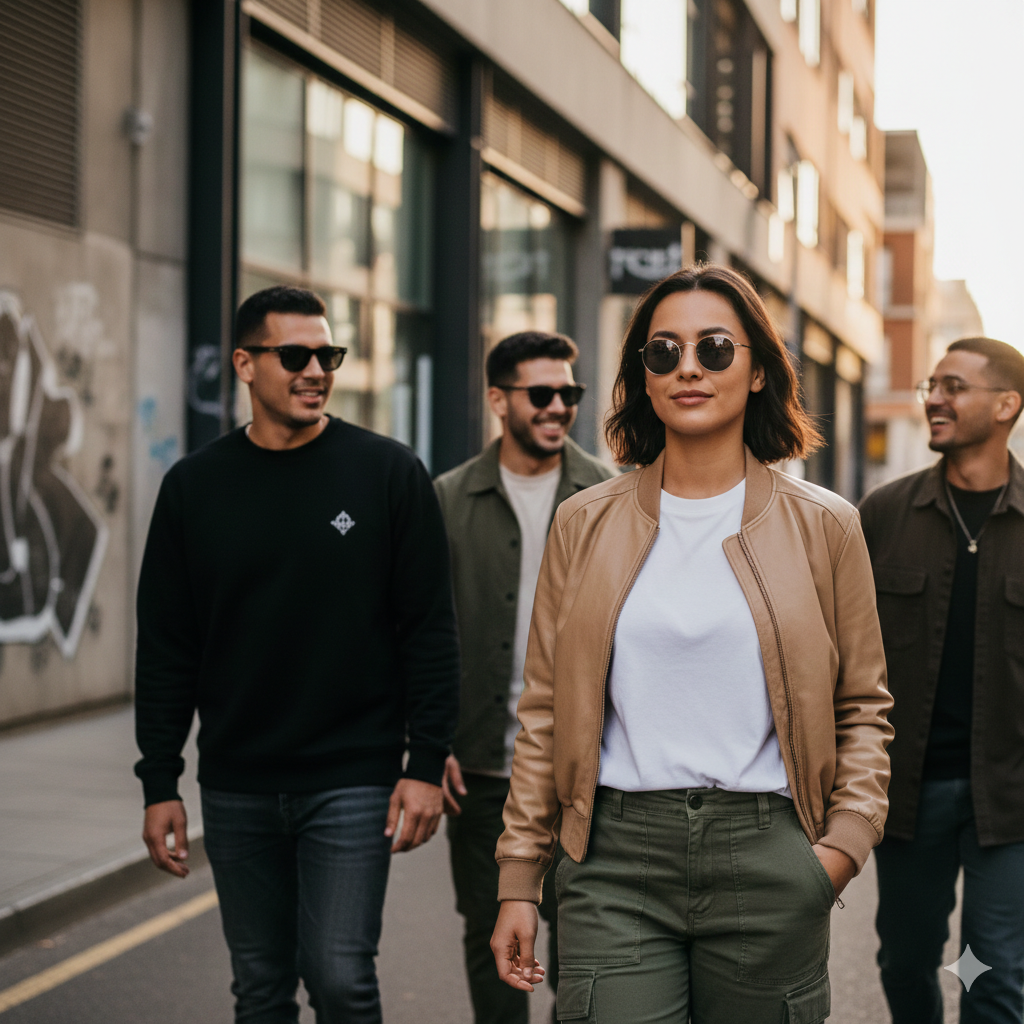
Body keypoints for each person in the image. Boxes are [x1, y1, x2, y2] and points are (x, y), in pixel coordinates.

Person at [489, 264, 893, 1023]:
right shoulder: (584, 523)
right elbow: (543, 710)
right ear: (642, 377)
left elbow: (863, 705)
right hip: (613, 859)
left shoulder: (826, 525)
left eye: (714, 349)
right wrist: (520, 876)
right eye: (662, 352)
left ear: (760, 371)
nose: (688, 370)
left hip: (769, 850)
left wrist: (839, 850)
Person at [134, 285, 460, 1024]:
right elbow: (165, 647)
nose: (316, 369)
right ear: (246, 365)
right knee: (259, 988)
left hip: (350, 777)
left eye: (328, 354)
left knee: (341, 977)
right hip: (237, 781)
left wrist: (422, 764)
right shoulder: (194, 487)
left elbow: (430, 631)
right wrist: (159, 781)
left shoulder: (386, 473)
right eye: (296, 355)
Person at [434, 331, 615, 1024]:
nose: (558, 407)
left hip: (584, 772)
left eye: (569, 394)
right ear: (497, 400)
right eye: (542, 394)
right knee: (496, 947)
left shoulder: (607, 495)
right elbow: (415, 633)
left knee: (585, 955)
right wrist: (428, 743)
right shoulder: (447, 499)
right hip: (481, 769)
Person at [859, 337, 1024, 1024]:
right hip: (908, 791)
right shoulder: (883, 515)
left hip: (1010, 798)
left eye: (954, 386)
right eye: (933, 384)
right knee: (905, 960)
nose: (933, 398)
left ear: (1007, 405)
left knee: (996, 976)